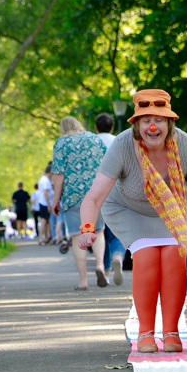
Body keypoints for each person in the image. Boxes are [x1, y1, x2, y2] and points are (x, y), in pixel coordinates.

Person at [78, 88, 187, 353]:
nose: (152, 127)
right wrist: (87, 228)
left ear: (169, 123)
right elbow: (94, 196)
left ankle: (172, 332)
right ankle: (145, 333)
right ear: (137, 124)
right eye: (145, 120)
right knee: (147, 255)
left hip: (176, 207)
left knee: (174, 255)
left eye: (160, 120)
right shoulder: (122, 146)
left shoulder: (186, 145)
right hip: (128, 209)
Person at [50, 116, 110, 290]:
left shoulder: (61, 143)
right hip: (96, 193)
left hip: (72, 195)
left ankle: (83, 281)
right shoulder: (95, 139)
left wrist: (56, 199)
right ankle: (100, 265)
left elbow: (58, 174)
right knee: (98, 232)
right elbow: (107, 165)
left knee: (78, 237)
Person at [94, 113, 125, 280]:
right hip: (117, 192)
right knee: (117, 232)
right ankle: (118, 257)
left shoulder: (91, 143)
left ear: (96, 127)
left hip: (97, 192)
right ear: (112, 127)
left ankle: (105, 271)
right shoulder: (119, 141)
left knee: (100, 233)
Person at [36, 164, 53, 244]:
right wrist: (48, 205)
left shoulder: (42, 179)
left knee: (46, 221)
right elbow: (45, 193)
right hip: (44, 203)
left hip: (42, 202)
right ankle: (41, 238)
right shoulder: (45, 180)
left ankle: (46, 237)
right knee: (43, 221)